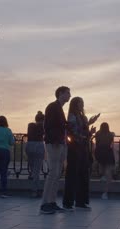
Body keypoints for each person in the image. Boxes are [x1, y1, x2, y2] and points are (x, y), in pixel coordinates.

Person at [63, 97, 99, 210]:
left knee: (83, 174)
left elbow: (83, 132)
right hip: (75, 147)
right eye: (80, 103)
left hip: (83, 147)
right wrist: (87, 126)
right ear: (75, 104)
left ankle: (81, 201)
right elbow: (73, 131)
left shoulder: (83, 117)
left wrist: (90, 131)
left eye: (83, 103)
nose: (82, 105)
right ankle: (68, 202)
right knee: (73, 174)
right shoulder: (72, 116)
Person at [40, 86, 71, 214]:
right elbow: (49, 126)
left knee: (57, 173)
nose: (70, 95)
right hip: (54, 144)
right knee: (53, 172)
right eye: (68, 93)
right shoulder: (53, 107)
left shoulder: (58, 108)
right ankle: (45, 204)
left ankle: (52, 202)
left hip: (59, 143)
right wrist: (56, 141)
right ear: (61, 94)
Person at [26, 111, 45, 198]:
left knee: (32, 166)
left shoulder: (30, 125)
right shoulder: (43, 126)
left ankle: (31, 175)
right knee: (37, 170)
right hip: (38, 146)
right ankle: (34, 191)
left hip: (29, 145)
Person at [95, 122, 115, 200]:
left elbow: (97, 143)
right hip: (108, 153)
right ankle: (105, 192)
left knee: (102, 168)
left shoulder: (98, 134)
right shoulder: (111, 134)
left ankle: (102, 176)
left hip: (100, 152)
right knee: (108, 172)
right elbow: (111, 144)